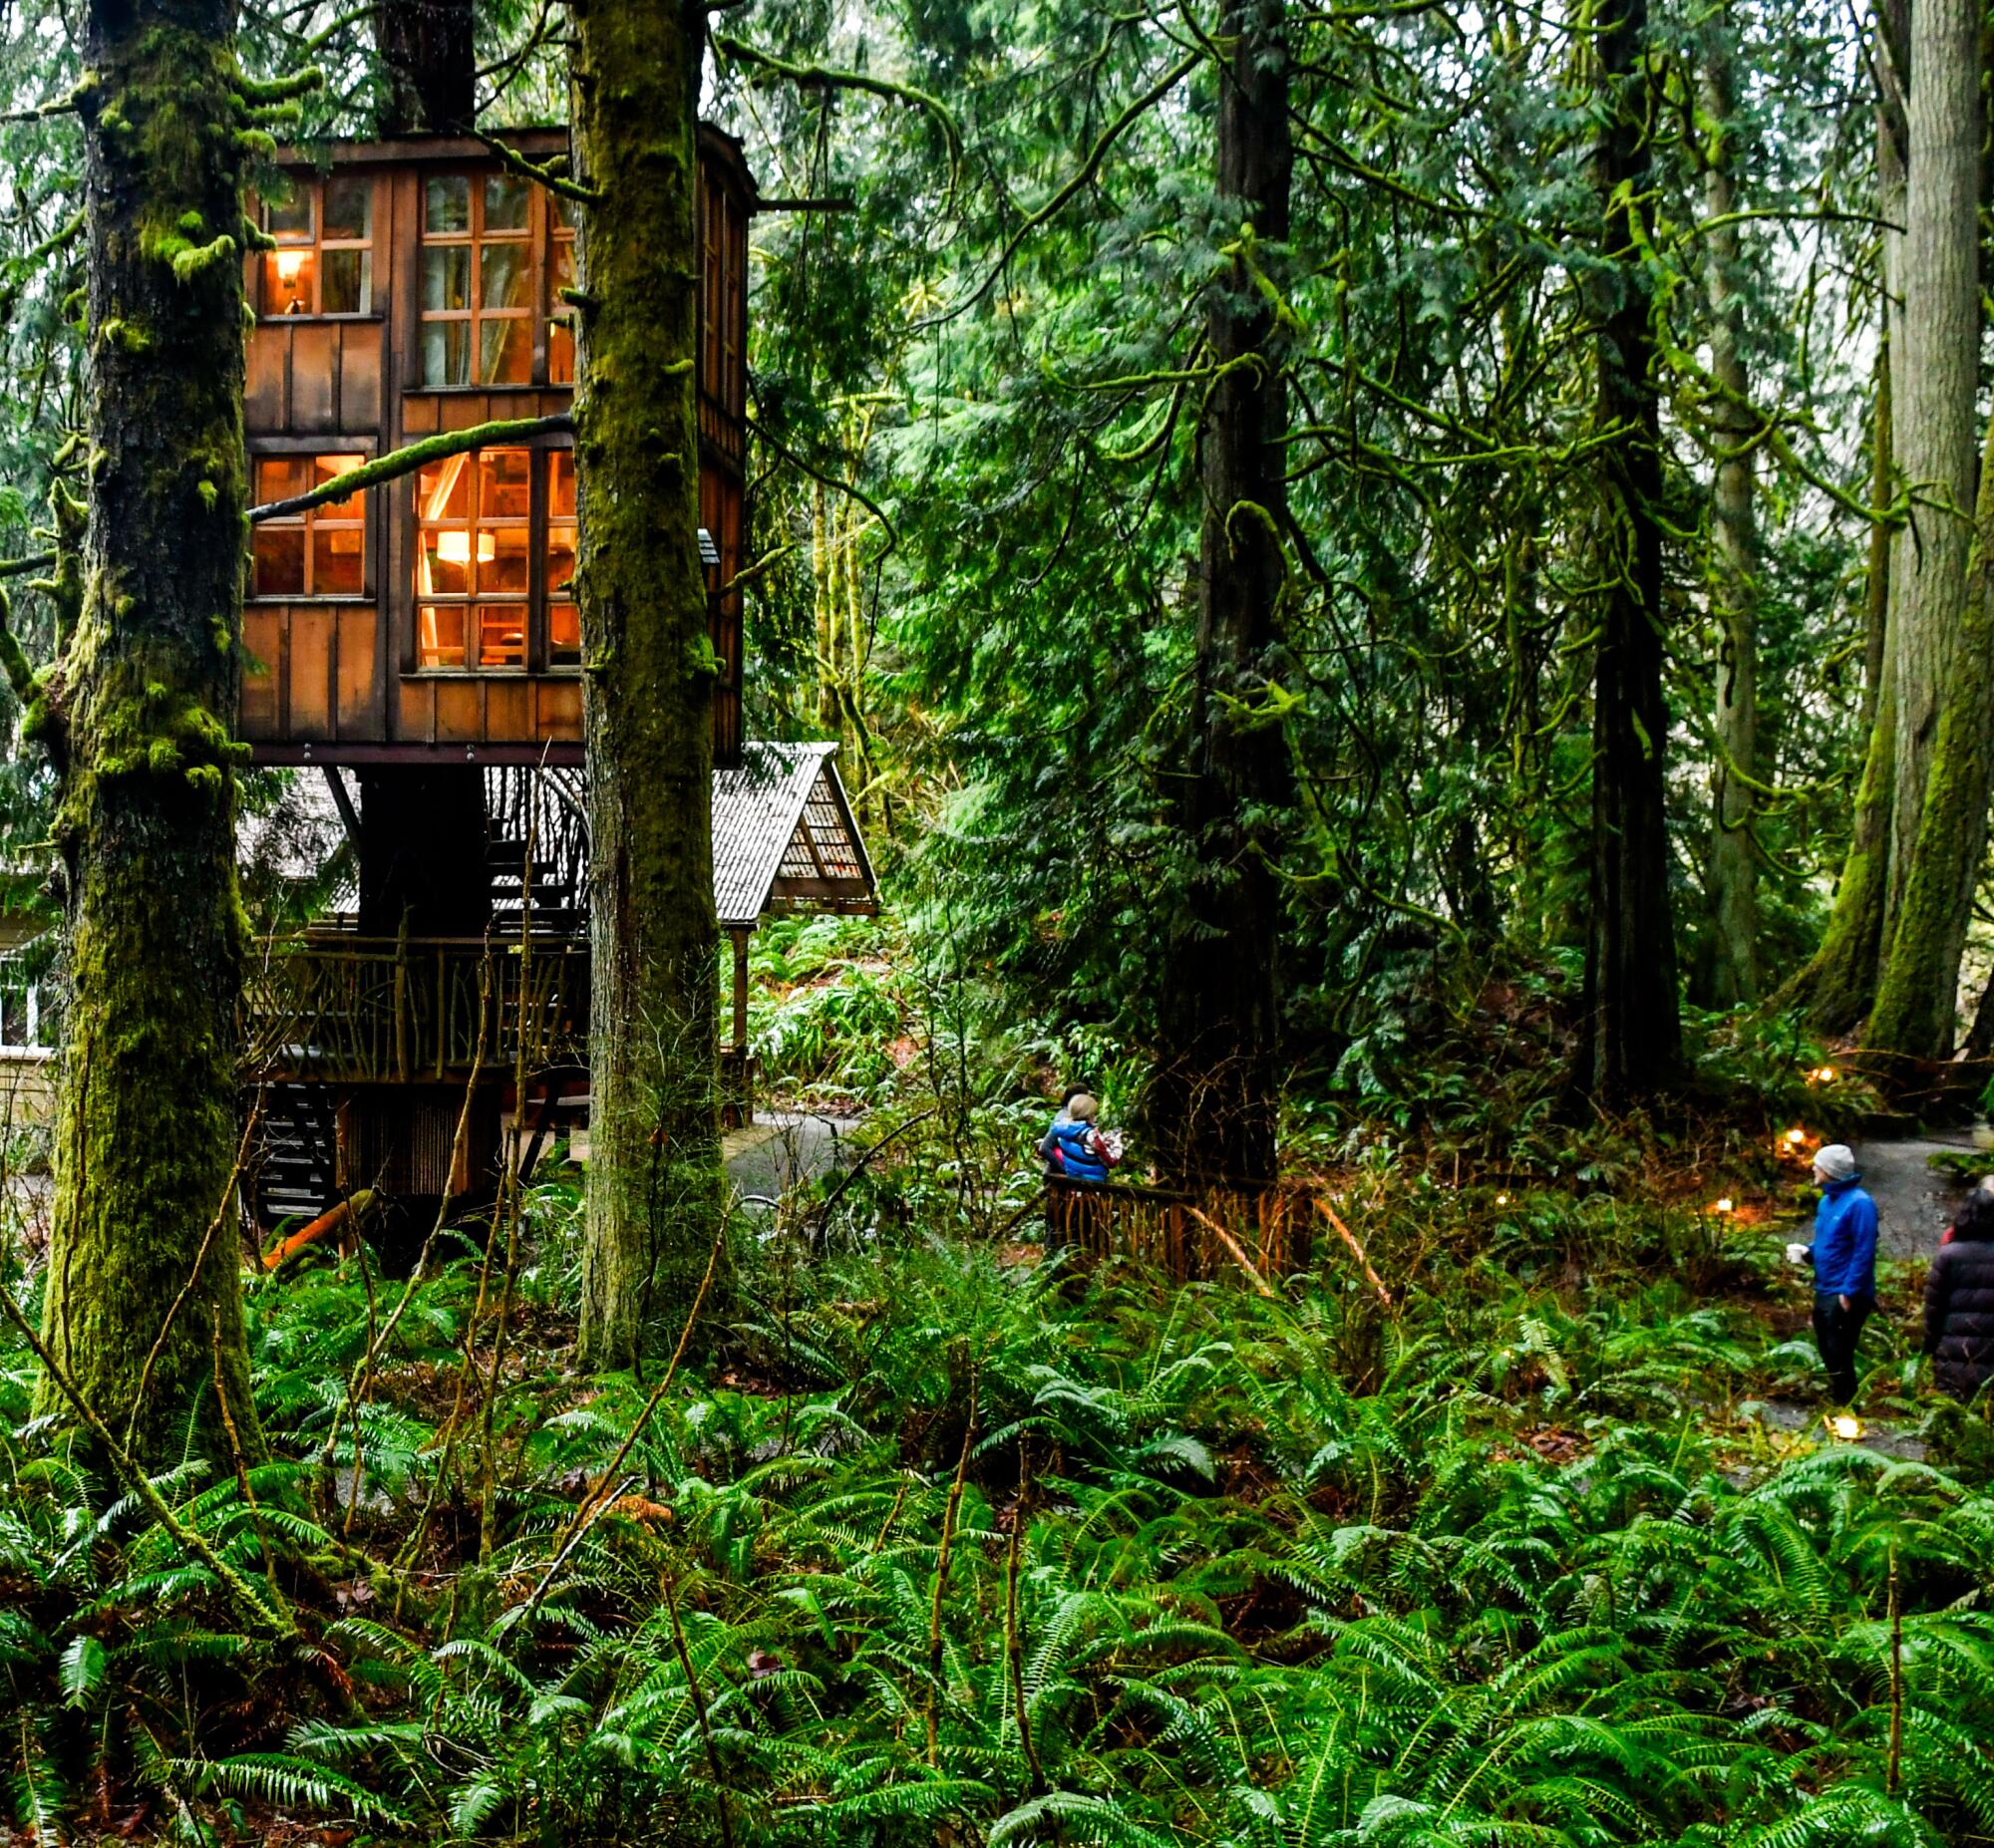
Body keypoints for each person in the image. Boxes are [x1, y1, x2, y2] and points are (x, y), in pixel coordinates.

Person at [1786, 1143, 1878, 1406]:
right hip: (1825, 1287)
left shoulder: (1860, 1204)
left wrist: (1849, 1293)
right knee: (1827, 1346)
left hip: (1845, 1292)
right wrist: (1807, 1252)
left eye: (1818, 1164)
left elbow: (1864, 1251)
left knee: (1840, 1349)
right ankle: (1841, 1398)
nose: (1813, 1168)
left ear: (1830, 1170)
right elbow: (1829, 1243)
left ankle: (1848, 1405)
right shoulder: (1826, 1202)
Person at [1923, 1181, 1994, 1402]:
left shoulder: (1948, 1255)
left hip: (1953, 1348)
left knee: (1953, 1409)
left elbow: (1934, 1307)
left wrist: (1930, 1345)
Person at [1045, 1093, 1123, 1184]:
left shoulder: (1061, 1128)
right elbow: (1112, 1162)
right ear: (1090, 1116)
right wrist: (1117, 1141)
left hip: (1073, 1177)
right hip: (1094, 1182)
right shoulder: (1091, 1136)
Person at [1037, 1085, 1087, 1175]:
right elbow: (1044, 1148)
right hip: (1057, 1175)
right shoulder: (1064, 1119)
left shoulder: (1073, 1117)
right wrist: (1064, 1170)